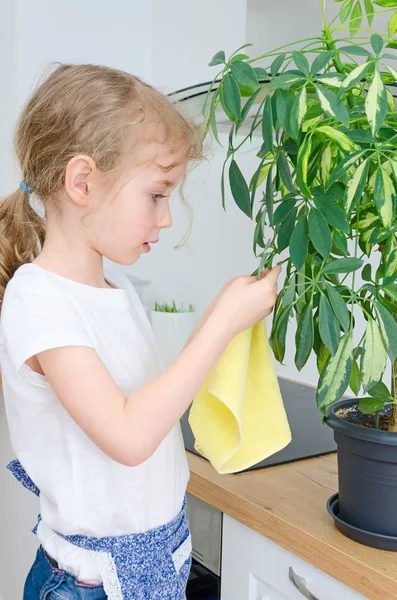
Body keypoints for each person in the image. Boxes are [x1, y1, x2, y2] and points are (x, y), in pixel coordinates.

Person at [0, 63, 281, 600]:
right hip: (89, 586)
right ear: (82, 181)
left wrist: (219, 324)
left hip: (152, 565)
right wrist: (220, 325)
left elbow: (142, 402)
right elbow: (128, 437)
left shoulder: (116, 289)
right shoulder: (38, 299)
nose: (167, 217)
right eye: (157, 194)